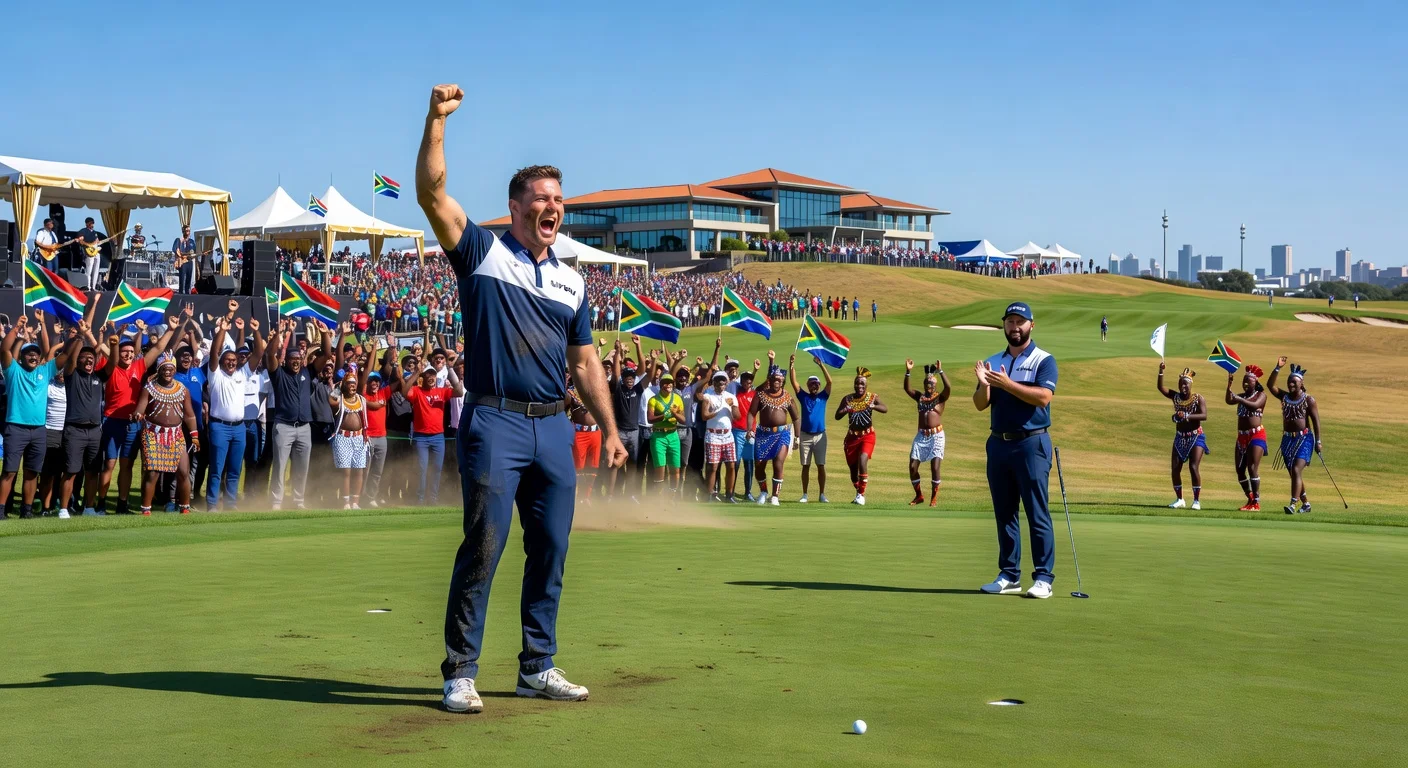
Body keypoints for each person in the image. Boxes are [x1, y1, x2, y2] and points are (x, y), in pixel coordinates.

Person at [417, 83, 625, 714]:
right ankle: (460, 671)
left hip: (554, 427)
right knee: (484, 545)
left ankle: (537, 665)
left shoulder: (571, 280)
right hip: (494, 420)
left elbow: (584, 362)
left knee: (552, 548)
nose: (551, 207)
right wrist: (436, 121)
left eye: (558, 199)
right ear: (514, 207)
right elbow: (432, 194)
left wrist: (610, 429)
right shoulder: (481, 253)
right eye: (540, 198)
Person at [973, 302, 1058, 599]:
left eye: (1020, 321)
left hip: (1031, 443)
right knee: (1005, 512)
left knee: (1036, 512)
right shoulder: (993, 360)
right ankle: (1009, 575)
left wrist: (1007, 384)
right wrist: (985, 384)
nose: (1014, 327)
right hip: (998, 443)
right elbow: (980, 404)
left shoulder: (1043, 360)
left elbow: (1043, 397)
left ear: (1031, 325)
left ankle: (1044, 577)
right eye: (1010, 321)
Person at [95, 319, 179, 515]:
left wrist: (170, 329)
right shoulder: (111, 366)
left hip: (133, 424)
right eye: (125, 351)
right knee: (109, 464)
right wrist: (109, 334)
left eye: (131, 352)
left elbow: (158, 348)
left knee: (127, 466)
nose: (128, 354)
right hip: (112, 421)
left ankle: (122, 505)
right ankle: (101, 503)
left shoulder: (139, 366)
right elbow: (101, 348)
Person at [0, 316, 67, 519]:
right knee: (9, 472)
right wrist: (17, 328)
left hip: (39, 430)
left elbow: (65, 356)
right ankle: (1, 510)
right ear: (21, 357)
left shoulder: (45, 371)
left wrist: (79, 337)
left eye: (36, 354)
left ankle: (26, 510)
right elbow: (4, 349)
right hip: (16, 428)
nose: (33, 356)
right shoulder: (13, 370)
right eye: (29, 353)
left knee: (32, 472)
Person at [266, 319, 328, 510]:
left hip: (304, 427)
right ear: (286, 360)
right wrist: (278, 334)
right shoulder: (279, 374)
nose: (296, 362)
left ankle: (298, 500)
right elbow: (270, 355)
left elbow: (326, 354)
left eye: (298, 359)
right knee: (280, 466)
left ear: (302, 361)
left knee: (302, 467)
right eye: (292, 359)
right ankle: (276, 502)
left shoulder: (307, 373)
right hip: (283, 426)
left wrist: (324, 334)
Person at [205, 316, 265, 511]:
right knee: (216, 469)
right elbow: (214, 352)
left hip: (239, 428)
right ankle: (212, 504)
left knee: (234, 469)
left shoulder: (243, 373)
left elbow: (259, 353)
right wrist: (223, 329)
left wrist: (256, 331)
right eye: (227, 360)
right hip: (219, 426)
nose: (231, 363)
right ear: (222, 362)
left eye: (233, 360)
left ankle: (231, 504)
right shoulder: (215, 374)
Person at [132, 352, 199, 515]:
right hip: (153, 433)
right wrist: (138, 414)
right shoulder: (149, 388)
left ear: (174, 370)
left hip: (176, 435)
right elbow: (140, 407)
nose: (168, 371)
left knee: (183, 471)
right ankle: (146, 510)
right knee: (152, 473)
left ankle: (185, 508)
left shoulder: (182, 390)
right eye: (164, 368)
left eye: (170, 369)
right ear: (159, 370)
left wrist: (194, 436)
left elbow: (189, 415)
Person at [60, 318, 107, 517]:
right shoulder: (72, 375)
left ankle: (89, 508)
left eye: (91, 358)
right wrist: (81, 335)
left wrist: (109, 342)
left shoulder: (99, 377)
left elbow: (112, 361)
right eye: (84, 357)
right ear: (78, 360)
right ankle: (63, 509)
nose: (89, 360)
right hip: (75, 430)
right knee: (70, 471)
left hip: (95, 430)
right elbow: (70, 360)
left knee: (92, 472)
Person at [398, 363, 464, 505]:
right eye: (427, 375)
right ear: (423, 377)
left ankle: (433, 499)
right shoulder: (417, 391)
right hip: (421, 437)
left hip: (438, 437)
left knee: (437, 469)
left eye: (433, 374)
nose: (431, 377)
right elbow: (404, 392)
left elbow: (459, 392)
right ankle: (420, 499)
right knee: (421, 469)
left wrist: (451, 369)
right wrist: (417, 373)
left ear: (435, 377)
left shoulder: (442, 392)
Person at [1266, 357, 1322, 515]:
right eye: (1289, 381)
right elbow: (1270, 386)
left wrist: (1318, 441)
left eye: (1294, 382)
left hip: (1304, 439)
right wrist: (1277, 368)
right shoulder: (1284, 397)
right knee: (1293, 472)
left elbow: (1316, 421)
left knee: (1296, 469)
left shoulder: (1309, 400)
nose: (1291, 384)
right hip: (1287, 440)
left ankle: (1293, 504)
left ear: (1301, 383)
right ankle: (1306, 504)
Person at [748, 353, 799, 506]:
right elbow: (751, 413)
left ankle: (775, 496)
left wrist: (797, 437)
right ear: (769, 380)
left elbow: (796, 418)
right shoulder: (760, 395)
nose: (776, 382)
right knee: (759, 465)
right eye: (774, 379)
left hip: (782, 434)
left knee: (778, 463)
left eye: (779, 380)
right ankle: (764, 492)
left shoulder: (787, 397)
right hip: (763, 434)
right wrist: (750, 430)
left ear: (782, 382)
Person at [1157, 363, 1209, 510]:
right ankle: (1180, 499)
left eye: (1186, 384)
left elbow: (1204, 415)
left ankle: (1196, 501)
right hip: (1180, 437)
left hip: (1196, 436)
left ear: (1191, 385)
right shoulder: (1176, 397)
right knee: (1175, 469)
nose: (1183, 386)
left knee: (1193, 467)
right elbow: (1161, 388)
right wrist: (1161, 371)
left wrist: (1186, 416)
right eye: (1181, 384)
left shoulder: (1198, 398)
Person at [833, 366, 886, 505]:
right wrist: (846, 409)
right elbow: (837, 416)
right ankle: (858, 492)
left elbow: (885, 408)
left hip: (867, 436)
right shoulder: (847, 399)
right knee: (853, 471)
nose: (859, 386)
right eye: (857, 383)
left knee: (863, 459)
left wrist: (874, 406)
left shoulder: (872, 397)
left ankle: (861, 495)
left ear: (866, 385)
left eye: (862, 383)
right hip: (852, 438)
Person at [904, 359, 951, 507]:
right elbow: (907, 389)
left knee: (935, 467)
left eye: (931, 384)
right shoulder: (920, 397)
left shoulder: (940, 398)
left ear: (935, 385)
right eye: (927, 384)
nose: (929, 386)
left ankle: (934, 498)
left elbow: (948, 387)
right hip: (921, 436)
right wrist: (908, 371)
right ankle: (919, 496)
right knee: (912, 467)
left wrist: (941, 371)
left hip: (936, 436)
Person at [1225, 363, 1268, 511]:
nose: (1245, 383)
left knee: (1252, 468)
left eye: (1248, 380)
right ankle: (1250, 498)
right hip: (1242, 437)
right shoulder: (1242, 396)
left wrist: (1239, 398)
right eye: (1244, 380)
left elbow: (1254, 405)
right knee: (1239, 470)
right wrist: (1229, 386)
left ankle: (1256, 502)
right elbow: (1229, 400)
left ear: (1255, 382)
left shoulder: (1261, 395)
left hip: (1256, 434)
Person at [789, 355, 831, 503]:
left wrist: (821, 365)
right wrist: (791, 364)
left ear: (819, 386)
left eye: (816, 384)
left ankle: (822, 494)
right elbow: (794, 382)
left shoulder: (823, 396)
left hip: (820, 436)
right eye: (812, 384)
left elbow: (830, 382)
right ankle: (805, 494)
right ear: (808, 385)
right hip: (805, 436)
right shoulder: (804, 397)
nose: (814, 386)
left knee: (821, 465)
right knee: (805, 466)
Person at [328, 363, 370, 509]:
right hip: (343, 438)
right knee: (346, 471)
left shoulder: (361, 399)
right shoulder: (340, 399)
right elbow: (331, 400)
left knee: (359, 470)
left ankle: (355, 502)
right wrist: (339, 387)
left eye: (354, 383)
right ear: (345, 385)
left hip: (359, 438)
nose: (352, 386)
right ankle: (346, 502)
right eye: (349, 383)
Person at [696, 369, 740, 502]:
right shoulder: (708, 396)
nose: (720, 383)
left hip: (727, 435)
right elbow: (704, 416)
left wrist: (732, 406)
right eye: (718, 380)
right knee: (712, 467)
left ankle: (729, 495)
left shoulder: (731, 397)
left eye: (723, 381)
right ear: (713, 382)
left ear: (726, 383)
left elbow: (737, 417)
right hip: (713, 434)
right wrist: (718, 411)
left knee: (731, 465)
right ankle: (709, 495)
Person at [646, 373, 686, 497]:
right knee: (660, 468)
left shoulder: (677, 398)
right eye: (665, 383)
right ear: (660, 384)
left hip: (673, 434)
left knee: (675, 469)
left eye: (670, 383)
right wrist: (665, 416)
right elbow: (650, 419)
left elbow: (683, 420)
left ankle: (672, 497)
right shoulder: (653, 400)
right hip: (659, 435)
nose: (667, 385)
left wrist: (675, 414)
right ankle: (659, 497)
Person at [567, 371, 601, 503]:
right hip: (579, 433)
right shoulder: (570, 393)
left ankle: (587, 497)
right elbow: (562, 412)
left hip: (596, 432)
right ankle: (577, 497)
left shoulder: (596, 390)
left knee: (593, 466)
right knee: (579, 467)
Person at [174, 225, 197, 294]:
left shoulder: (191, 241)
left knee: (189, 278)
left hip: (189, 261)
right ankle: (181, 292)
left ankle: (187, 293)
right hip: (183, 262)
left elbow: (194, 251)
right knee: (182, 278)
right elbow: (175, 249)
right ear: (183, 231)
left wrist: (192, 255)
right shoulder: (179, 240)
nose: (188, 232)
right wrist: (180, 255)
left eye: (189, 231)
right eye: (187, 231)